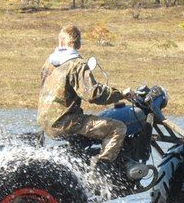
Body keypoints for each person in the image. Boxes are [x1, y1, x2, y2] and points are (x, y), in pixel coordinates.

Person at [38, 24, 130, 169]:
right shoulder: (76, 64)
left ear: (60, 41)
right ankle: (101, 168)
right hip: (67, 122)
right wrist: (120, 94)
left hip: (46, 121)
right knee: (118, 128)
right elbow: (93, 94)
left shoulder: (49, 62)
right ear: (78, 43)